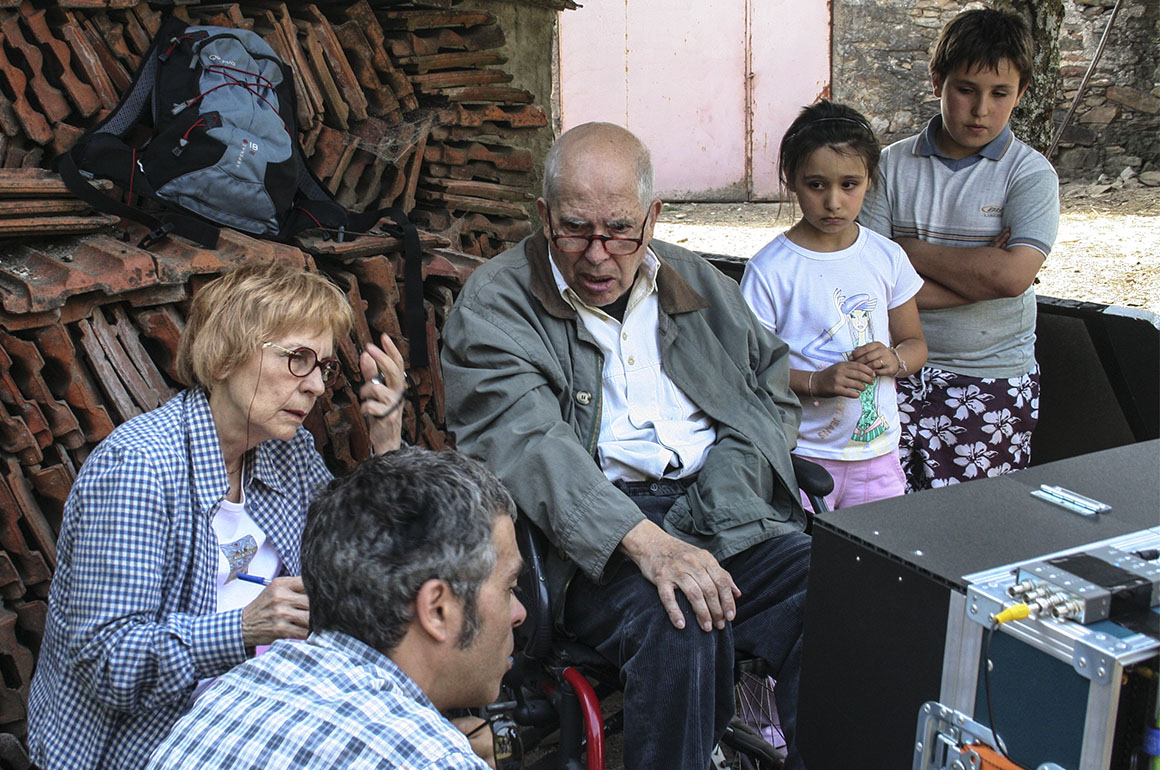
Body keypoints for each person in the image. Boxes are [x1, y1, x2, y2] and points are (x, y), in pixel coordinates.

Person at [441, 122, 812, 770]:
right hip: (588, 543)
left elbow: (768, 392)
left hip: (721, 506)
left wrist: (731, 492)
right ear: (544, 216)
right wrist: (649, 543)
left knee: (838, 586)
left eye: (619, 230)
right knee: (681, 618)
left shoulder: (695, 282)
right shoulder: (496, 304)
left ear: (652, 217)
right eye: (574, 229)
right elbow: (528, 444)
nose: (597, 254)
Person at [27, 262, 407, 770]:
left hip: (251, 721)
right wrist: (244, 628)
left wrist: (387, 444)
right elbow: (109, 663)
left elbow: (357, 565)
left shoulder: (285, 451)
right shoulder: (139, 469)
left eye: (324, 366)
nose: (317, 385)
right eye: (298, 359)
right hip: (144, 748)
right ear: (227, 354)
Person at [147, 447, 524, 769]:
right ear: (437, 610)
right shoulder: (432, 760)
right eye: (510, 588)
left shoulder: (225, 702)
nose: (519, 613)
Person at [859, 8, 1059, 491]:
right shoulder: (888, 166)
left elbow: (1012, 277)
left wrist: (906, 250)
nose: (981, 109)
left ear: (1021, 93)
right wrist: (982, 278)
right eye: (966, 89)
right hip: (892, 370)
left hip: (991, 378)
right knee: (879, 513)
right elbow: (869, 281)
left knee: (974, 519)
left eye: (1000, 93)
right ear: (937, 82)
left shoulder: (1030, 175)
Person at [741, 100, 927, 510]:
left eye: (849, 184)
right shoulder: (771, 269)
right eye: (816, 185)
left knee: (877, 548)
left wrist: (894, 360)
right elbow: (748, 367)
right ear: (791, 180)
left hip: (878, 456)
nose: (833, 201)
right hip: (800, 455)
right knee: (805, 549)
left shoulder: (886, 257)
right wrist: (815, 383)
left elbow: (915, 343)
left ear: (870, 181)